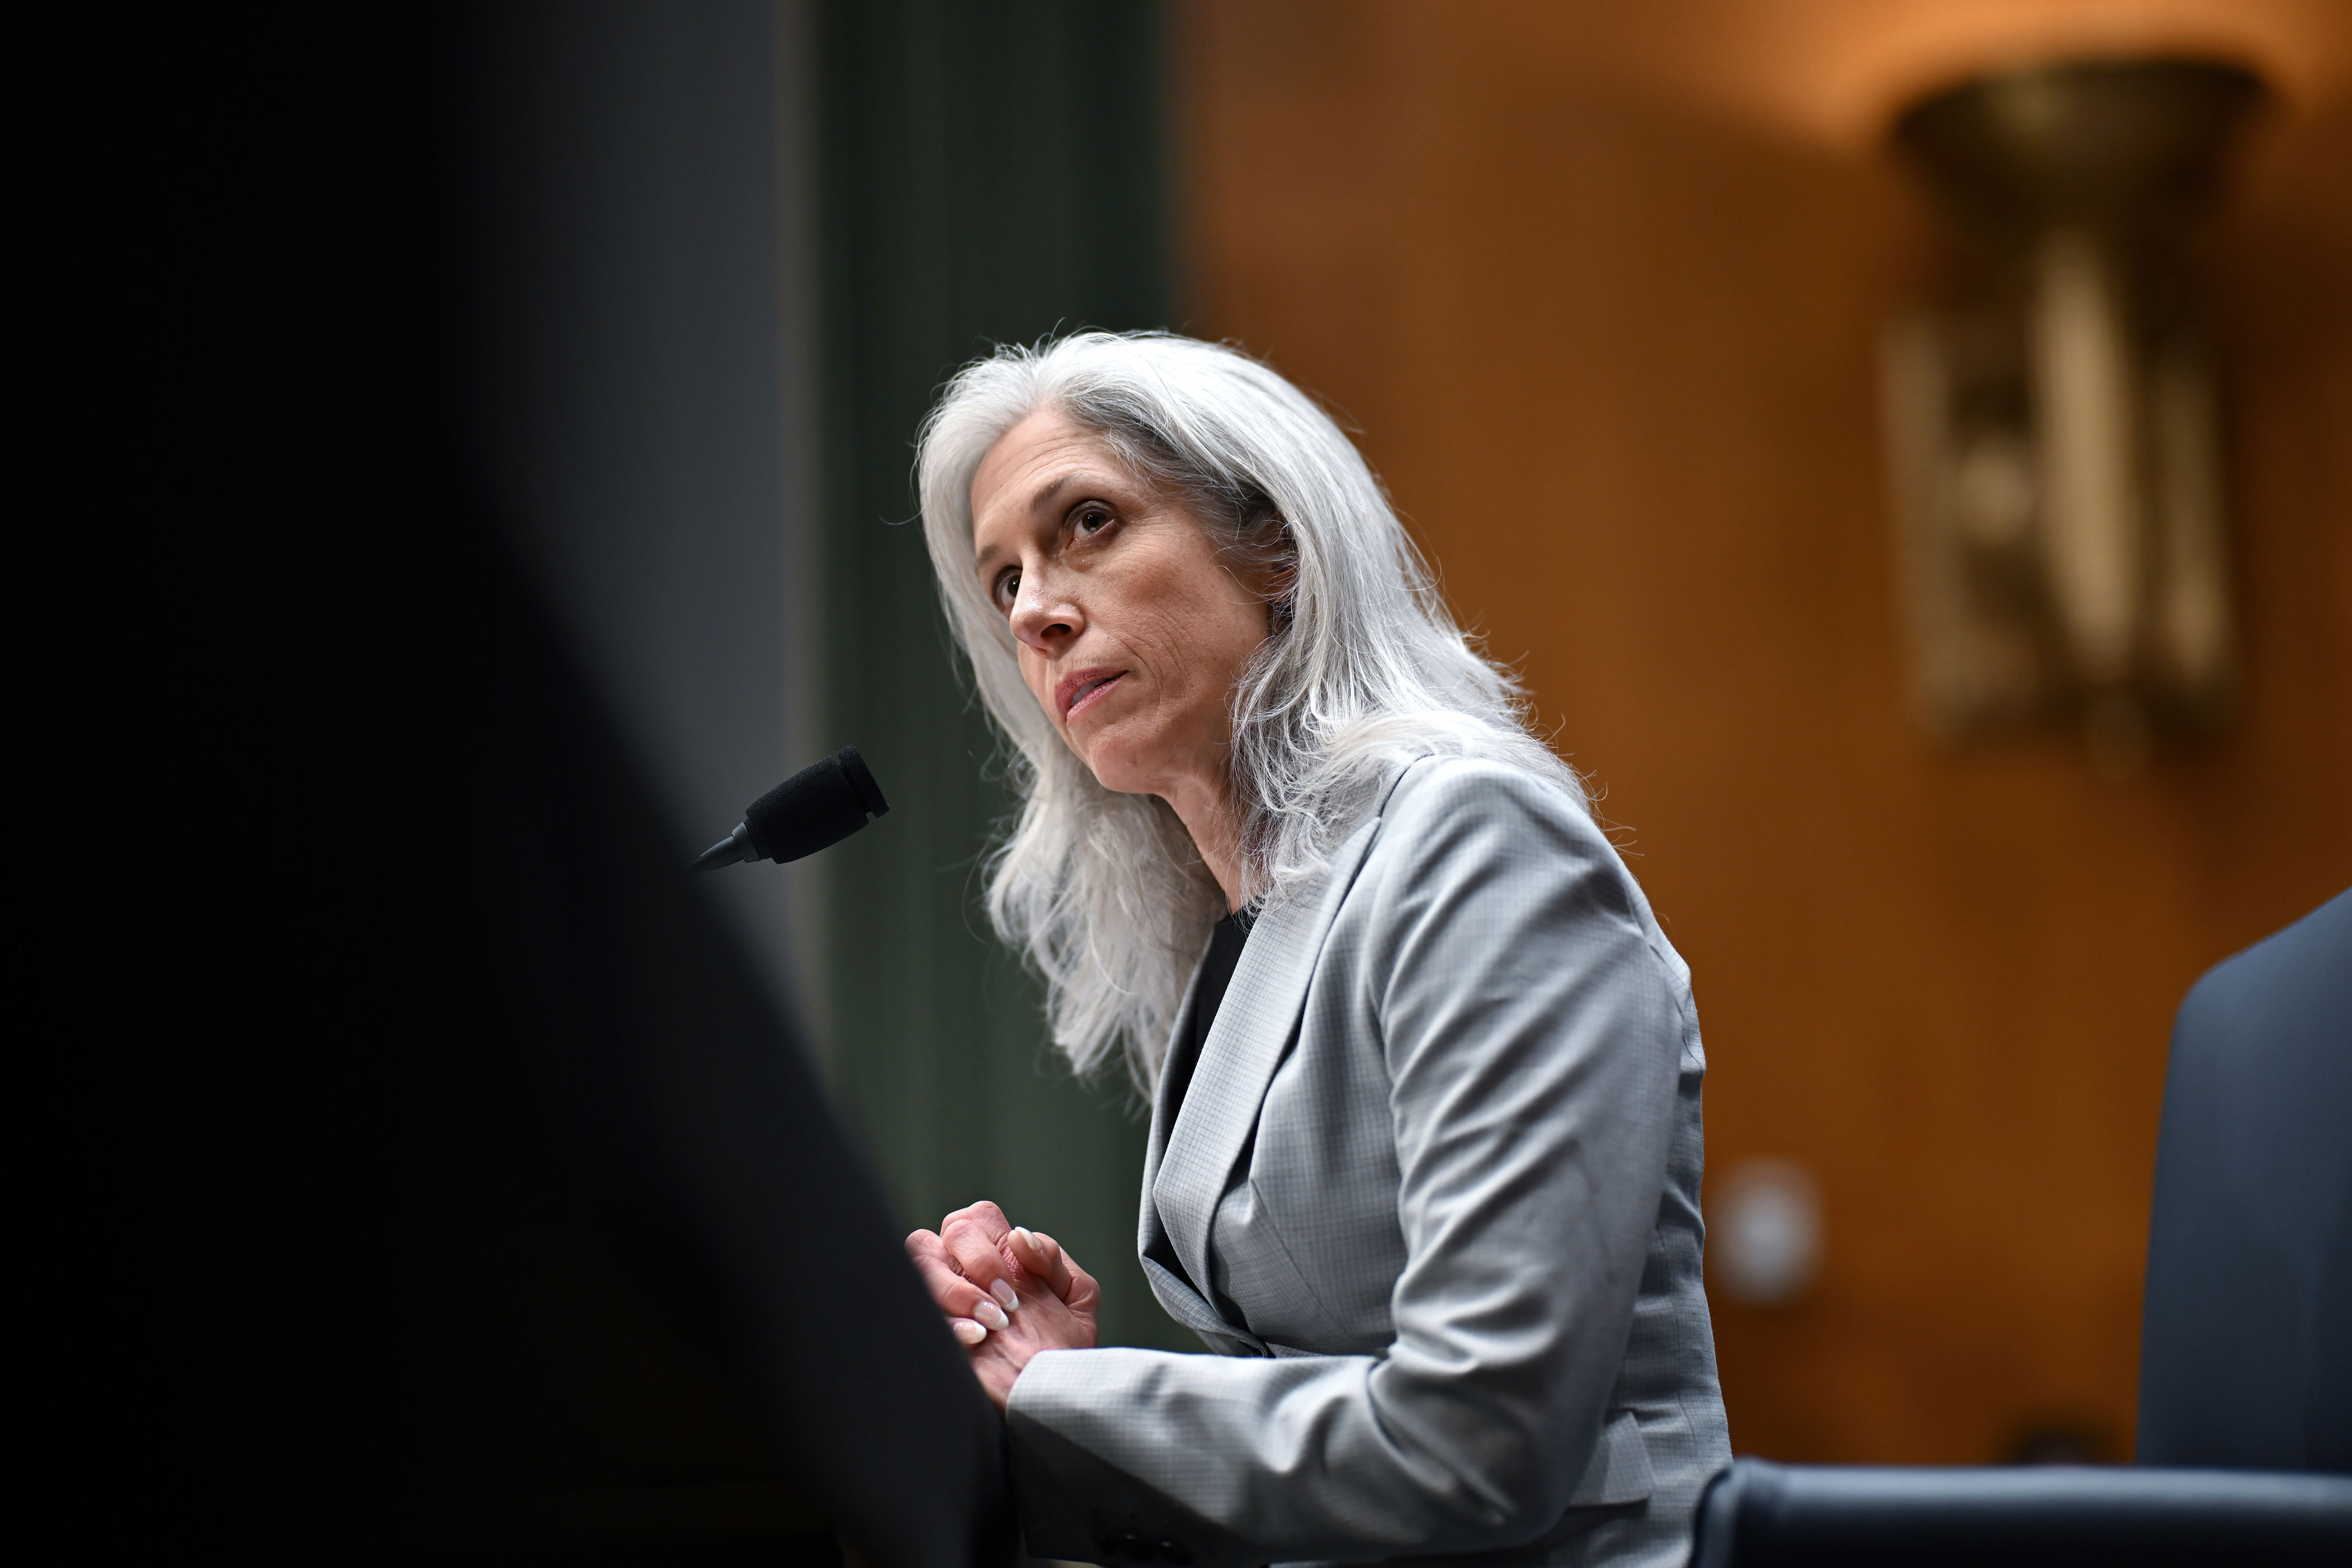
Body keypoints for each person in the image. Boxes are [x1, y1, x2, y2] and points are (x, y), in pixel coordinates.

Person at [901, 332, 1730, 1568]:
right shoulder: (1249, 923)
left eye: (1086, 524)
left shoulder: (1472, 842)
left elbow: (1478, 1439)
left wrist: (1061, 1398)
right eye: (1004, 580)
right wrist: (1049, 1378)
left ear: (1273, 543)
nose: (1039, 610)